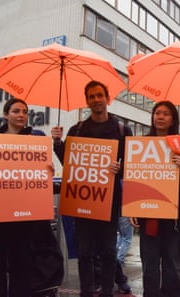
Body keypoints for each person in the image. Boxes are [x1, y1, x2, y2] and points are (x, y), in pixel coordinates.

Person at [51, 80, 133, 297]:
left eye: (99, 95)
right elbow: (69, 163)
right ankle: (86, 292)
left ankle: (107, 292)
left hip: (110, 200)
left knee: (108, 251)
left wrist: (120, 167)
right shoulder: (77, 130)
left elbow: (131, 165)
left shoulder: (122, 130)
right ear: (87, 101)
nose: (96, 100)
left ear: (107, 98)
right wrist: (57, 144)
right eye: (91, 97)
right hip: (82, 200)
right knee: (85, 253)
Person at [0, 98, 64, 297]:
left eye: (24, 112)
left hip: (23, 212)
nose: (21, 115)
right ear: (6, 114)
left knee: (21, 260)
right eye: (16, 111)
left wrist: (48, 170)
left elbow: (39, 174)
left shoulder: (36, 139)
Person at [130, 100, 180, 297]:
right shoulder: (142, 145)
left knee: (171, 267)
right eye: (157, 113)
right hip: (149, 215)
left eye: (165, 114)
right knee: (149, 267)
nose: (160, 117)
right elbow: (135, 178)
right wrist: (132, 208)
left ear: (173, 119)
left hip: (173, 218)